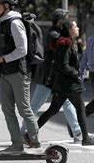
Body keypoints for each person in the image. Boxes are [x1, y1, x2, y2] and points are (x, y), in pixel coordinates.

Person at [0, 0, 40, 154]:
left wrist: (2, 59)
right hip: (6, 72)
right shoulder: (3, 22)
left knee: (24, 108)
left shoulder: (14, 22)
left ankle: (35, 141)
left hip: (19, 72)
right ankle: (16, 144)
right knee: (7, 109)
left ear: (5, 5)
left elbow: (22, 50)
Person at [21, 9, 82, 143]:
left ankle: (78, 133)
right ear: (61, 21)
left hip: (57, 78)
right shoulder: (53, 34)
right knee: (35, 106)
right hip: (47, 78)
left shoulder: (58, 33)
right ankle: (23, 133)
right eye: (66, 19)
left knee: (67, 103)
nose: (69, 22)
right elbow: (61, 48)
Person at [37, 20, 94, 146]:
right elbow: (63, 65)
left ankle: (30, 134)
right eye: (75, 26)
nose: (78, 28)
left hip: (62, 84)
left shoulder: (69, 42)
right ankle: (86, 138)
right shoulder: (65, 43)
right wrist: (76, 74)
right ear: (69, 29)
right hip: (69, 84)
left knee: (53, 110)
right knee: (80, 109)